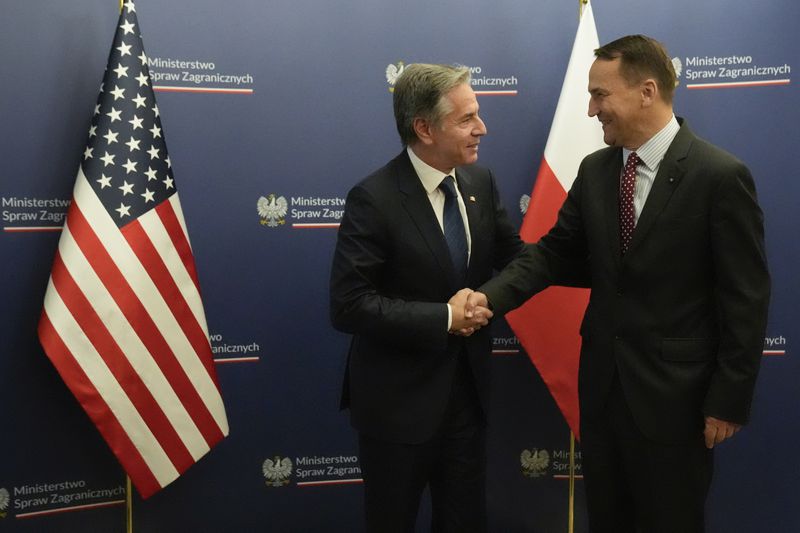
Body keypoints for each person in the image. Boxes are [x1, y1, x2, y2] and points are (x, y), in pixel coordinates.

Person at [465, 35, 770, 532]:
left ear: (647, 91)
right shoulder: (596, 170)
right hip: (603, 395)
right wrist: (487, 298)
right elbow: (553, 255)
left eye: (601, 95)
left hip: (679, 403)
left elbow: (746, 298)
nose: (591, 109)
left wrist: (729, 399)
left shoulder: (720, 176)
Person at [330, 63, 523, 532]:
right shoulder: (374, 198)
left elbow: (517, 260)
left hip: (467, 400)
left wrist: (484, 299)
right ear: (424, 128)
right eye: (467, 119)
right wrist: (444, 318)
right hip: (398, 408)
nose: (482, 128)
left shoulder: (480, 182)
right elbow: (349, 303)